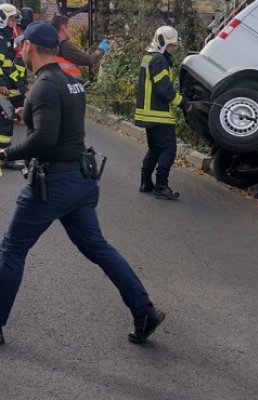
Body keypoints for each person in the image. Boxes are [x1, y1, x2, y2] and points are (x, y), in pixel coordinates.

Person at [0, 22, 164, 346]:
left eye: (22, 44)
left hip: (54, 184)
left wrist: (6, 153)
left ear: (30, 47)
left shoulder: (45, 85)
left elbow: (45, 140)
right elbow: (58, 124)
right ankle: (144, 310)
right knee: (98, 248)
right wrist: (26, 112)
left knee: (12, 249)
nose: (19, 48)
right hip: (80, 180)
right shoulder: (68, 81)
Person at [134, 26, 191, 200]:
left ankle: (145, 183)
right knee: (168, 149)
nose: (173, 49)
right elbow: (164, 90)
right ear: (162, 42)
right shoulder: (159, 60)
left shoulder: (148, 57)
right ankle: (161, 186)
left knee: (155, 149)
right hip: (157, 114)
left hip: (146, 113)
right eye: (171, 45)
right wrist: (184, 104)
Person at [0, 4, 26, 171]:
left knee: (5, 122)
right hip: (4, 90)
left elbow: (14, 64)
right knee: (5, 124)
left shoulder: (8, 38)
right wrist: (1, 83)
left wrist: (23, 83)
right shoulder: (2, 39)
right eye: (12, 18)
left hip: (10, 87)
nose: (15, 22)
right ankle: (5, 158)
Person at [50, 14, 109, 80]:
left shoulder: (51, 46)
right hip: (69, 85)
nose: (71, 30)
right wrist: (101, 49)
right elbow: (89, 60)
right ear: (63, 27)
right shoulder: (64, 46)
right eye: (69, 26)